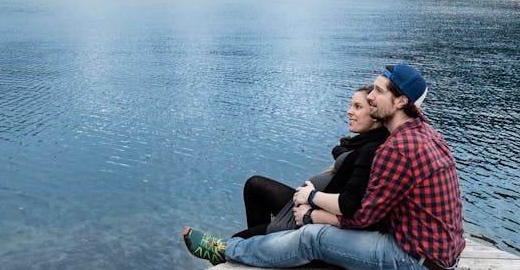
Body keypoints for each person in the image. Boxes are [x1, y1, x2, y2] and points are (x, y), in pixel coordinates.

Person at [183, 64, 465, 270]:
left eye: (379, 91)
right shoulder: (424, 133)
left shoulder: (398, 148)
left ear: (402, 101)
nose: (370, 97)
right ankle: (242, 251)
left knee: (312, 239)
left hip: (413, 260)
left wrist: (312, 214)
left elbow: (362, 217)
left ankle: (226, 250)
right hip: (438, 253)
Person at [233, 85, 390, 239]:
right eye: (351, 105)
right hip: (309, 204)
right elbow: (342, 153)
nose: (349, 111)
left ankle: (263, 242)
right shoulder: (362, 143)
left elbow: (349, 203)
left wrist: (311, 198)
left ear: (375, 114)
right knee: (254, 186)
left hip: (310, 214)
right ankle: (262, 243)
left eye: (357, 107)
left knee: (238, 240)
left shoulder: (370, 150)